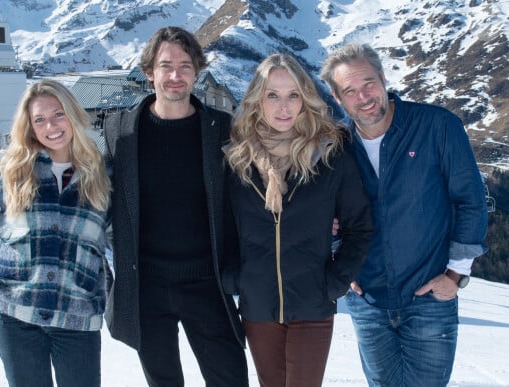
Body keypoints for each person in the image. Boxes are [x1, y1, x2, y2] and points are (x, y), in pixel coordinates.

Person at [320, 43, 489, 387]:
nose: (363, 97)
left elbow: (470, 201)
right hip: (367, 298)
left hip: (429, 296)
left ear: (383, 78)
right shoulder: (334, 145)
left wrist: (455, 276)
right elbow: (326, 211)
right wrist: (340, 262)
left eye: (368, 83)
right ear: (338, 98)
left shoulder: (437, 126)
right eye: (350, 91)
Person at [102, 26, 248, 386]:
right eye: (165, 65)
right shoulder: (120, 130)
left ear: (197, 70)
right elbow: (100, 195)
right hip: (146, 285)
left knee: (231, 379)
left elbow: (252, 195)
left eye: (185, 65)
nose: (175, 75)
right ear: (149, 71)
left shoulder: (223, 129)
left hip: (208, 281)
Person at [223, 53, 374, 387]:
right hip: (258, 307)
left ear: (305, 99)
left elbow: (359, 226)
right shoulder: (237, 159)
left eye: (293, 95)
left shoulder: (330, 153)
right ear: (256, 100)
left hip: (313, 304)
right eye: (272, 96)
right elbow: (224, 228)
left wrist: (334, 283)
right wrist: (236, 277)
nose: (284, 107)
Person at [0, 79, 112, 387]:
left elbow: (112, 236)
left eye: (58, 114)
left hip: (77, 319)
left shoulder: (101, 173)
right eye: (39, 119)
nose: (50, 125)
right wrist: (3, 258)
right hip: (17, 318)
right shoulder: (8, 168)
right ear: (29, 126)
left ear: (73, 114)